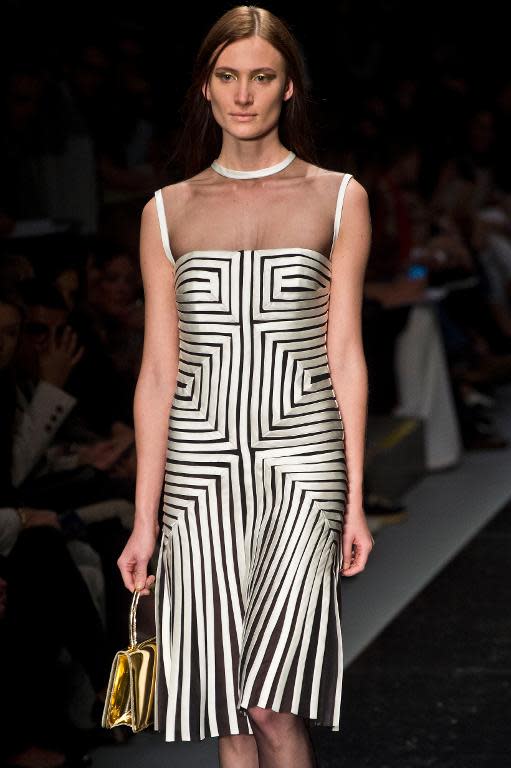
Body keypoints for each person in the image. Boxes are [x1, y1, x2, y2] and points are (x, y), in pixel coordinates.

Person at [117, 6, 374, 767]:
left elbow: (346, 353)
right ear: (204, 86)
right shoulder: (166, 211)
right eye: (227, 76)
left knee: (271, 700)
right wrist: (142, 517)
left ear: (288, 87)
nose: (243, 95)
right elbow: (158, 371)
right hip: (197, 474)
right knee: (222, 704)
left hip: (301, 465)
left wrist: (356, 497)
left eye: (260, 77)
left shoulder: (338, 197)